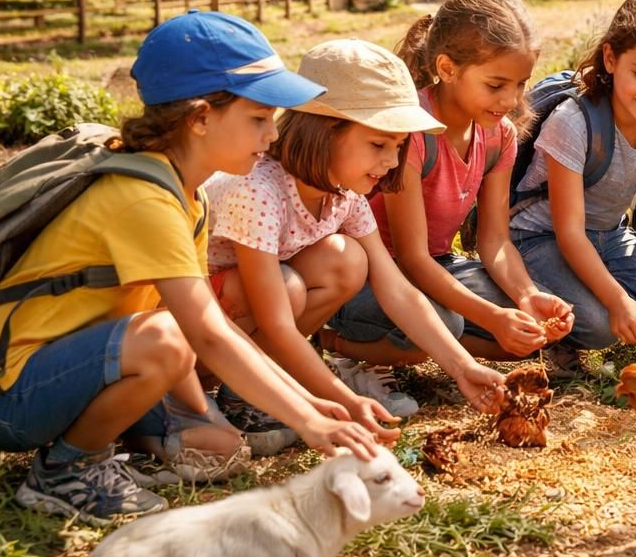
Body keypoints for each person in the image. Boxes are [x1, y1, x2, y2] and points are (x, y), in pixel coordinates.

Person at [0, 11, 381, 524]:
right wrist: (308, 418)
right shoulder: (142, 198)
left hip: (90, 364)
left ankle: (111, 438)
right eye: (259, 118)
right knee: (165, 339)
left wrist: (302, 401)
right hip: (13, 396)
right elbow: (207, 334)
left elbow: (206, 328)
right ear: (200, 118)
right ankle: (65, 471)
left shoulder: (186, 193)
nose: (271, 136)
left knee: (218, 447)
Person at [204, 39, 512, 452]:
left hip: (248, 318)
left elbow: (397, 290)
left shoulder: (343, 197)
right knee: (288, 287)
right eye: (378, 145)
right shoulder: (258, 190)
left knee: (346, 260)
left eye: (399, 147)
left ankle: (257, 387)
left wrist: (462, 367)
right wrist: (342, 400)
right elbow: (275, 320)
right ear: (324, 131)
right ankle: (236, 392)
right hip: (194, 328)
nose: (390, 161)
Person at [323, 0, 574, 395]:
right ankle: (338, 344)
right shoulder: (413, 133)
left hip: (438, 264)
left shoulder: (499, 136)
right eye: (496, 85)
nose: (511, 99)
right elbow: (412, 258)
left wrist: (526, 297)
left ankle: (428, 344)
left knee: (527, 332)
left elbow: (494, 241)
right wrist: (492, 318)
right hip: (374, 272)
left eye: (521, 84)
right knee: (448, 321)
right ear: (447, 68)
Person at [511, 0, 636, 367]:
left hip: (609, 236)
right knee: (601, 325)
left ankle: (585, 297)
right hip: (539, 237)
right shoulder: (573, 121)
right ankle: (516, 292)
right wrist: (617, 300)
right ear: (611, 59)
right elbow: (568, 231)